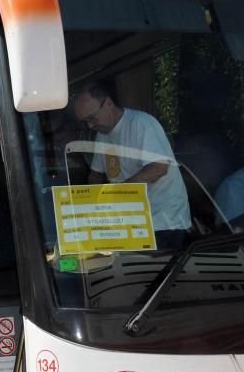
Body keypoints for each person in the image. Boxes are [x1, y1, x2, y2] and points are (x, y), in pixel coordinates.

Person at [72, 82, 191, 250]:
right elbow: (96, 175)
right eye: (85, 122)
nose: (90, 126)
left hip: (164, 222)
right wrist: (90, 206)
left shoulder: (142, 124)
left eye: (92, 118)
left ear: (108, 103)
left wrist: (119, 193)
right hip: (132, 222)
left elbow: (159, 168)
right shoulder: (103, 134)